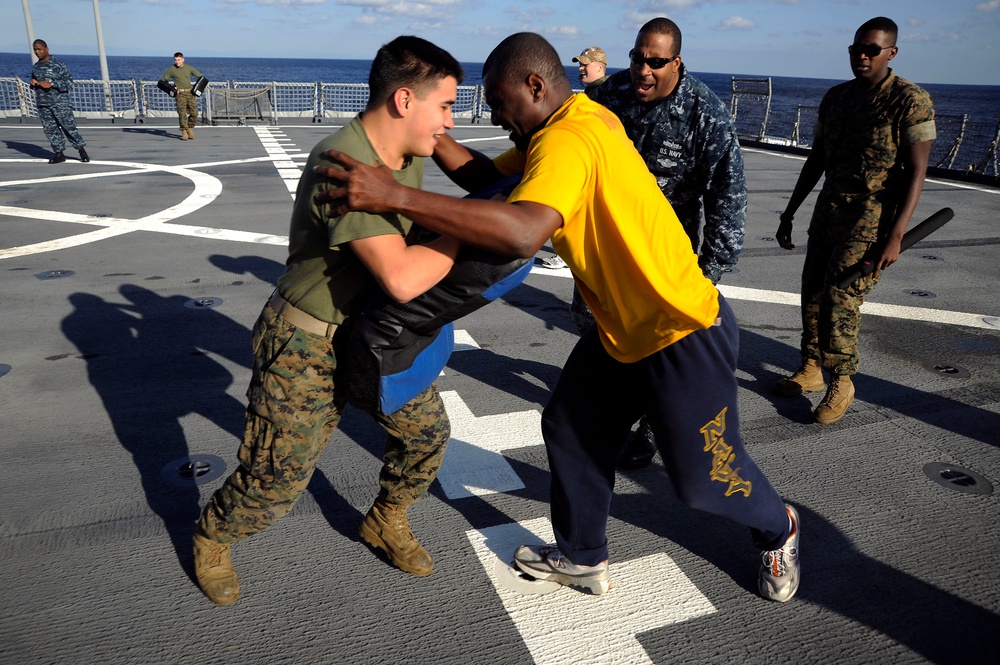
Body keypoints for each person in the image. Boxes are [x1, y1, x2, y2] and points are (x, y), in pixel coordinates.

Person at [315, 32, 800, 603]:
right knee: (571, 426)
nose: (497, 118)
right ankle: (580, 556)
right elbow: (487, 181)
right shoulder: (571, 121)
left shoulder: (566, 142)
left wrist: (394, 196)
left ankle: (779, 526)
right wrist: (431, 128)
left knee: (704, 480)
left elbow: (523, 230)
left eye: (499, 104)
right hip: (622, 329)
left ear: (535, 85)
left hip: (680, 328)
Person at [192, 36, 464, 606]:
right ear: (405, 100)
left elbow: (467, 171)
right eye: (445, 106)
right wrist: (474, 232)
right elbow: (402, 277)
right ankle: (213, 534)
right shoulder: (344, 165)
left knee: (427, 435)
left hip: (372, 335)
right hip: (305, 342)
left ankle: (386, 519)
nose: (451, 120)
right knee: (275, 483)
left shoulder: (409, 152)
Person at [583, 17, 748, 468]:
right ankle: (607, 411)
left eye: (655, 62)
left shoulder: (705, 114)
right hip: (610, 249)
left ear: (677, 62)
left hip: (666, 259)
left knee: (662, 347)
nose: (643, 70)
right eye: (637, 58)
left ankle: (652, 425)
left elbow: (726, 198)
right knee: (602, 336)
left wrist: (706, 275)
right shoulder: (608, 96)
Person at [773, 16, 935, 425]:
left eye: (871, 50)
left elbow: (917, 172)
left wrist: (896, 235)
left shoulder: (910, 101)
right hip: (829, 210)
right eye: (855, 50)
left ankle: (841, 380)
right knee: (811, 291)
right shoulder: (837, 98)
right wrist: (790, 211)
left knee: (842, 297)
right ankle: (811, 368)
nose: (861, 56)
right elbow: (816, 160)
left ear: (891, 52)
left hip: (873, 217)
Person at [29, 40, 89, 164]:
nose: (37, 52)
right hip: (43, 104)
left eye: (40, 49)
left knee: (69, 128)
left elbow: (69, 83)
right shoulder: (36, 67)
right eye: (35, 49)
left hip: (60, 103)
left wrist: (52, 84)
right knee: (50, 130)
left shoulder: (58, 65)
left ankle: (81, 151)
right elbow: (35, 80)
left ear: (47, 49)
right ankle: (59, 153)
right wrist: (34, 83)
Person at [160, 52, 203, 140]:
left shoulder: (188, 68)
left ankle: (189, 128)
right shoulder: (171, 69)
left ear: (183, 59)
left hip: (190, 93)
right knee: (182, 114)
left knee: (194, 113)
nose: (177, 62)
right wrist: (171, 88)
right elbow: (163, 80)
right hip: (180, 94)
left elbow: (200, 76)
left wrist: (196, 88)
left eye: (179, 60)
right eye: (175, 60)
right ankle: (184, 131)